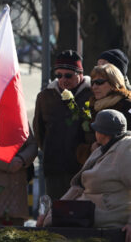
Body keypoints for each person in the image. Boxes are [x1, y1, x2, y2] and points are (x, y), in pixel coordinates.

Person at [57, 110, 131, 235]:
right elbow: (77, 187)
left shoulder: (125, 150)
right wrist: (53, 213)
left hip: (109, 220)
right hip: (85, 215)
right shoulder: (100, 149)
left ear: (101, 133)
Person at [34, 50, 92, 200]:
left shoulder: (91, 95)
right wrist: (49, 149)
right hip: (54, 169)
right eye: (59, 75)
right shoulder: (45, 96)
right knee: (56, 215)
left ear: (80, 74)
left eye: (68, 75)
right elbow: (39, 132)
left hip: (83, 170)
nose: (63, 79)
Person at [75, 64, 131, 164]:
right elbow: (78, 141)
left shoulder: (127, 106)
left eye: (99, 82)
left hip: (121, 169)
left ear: (114, 83)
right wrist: (89, 149)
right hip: (94, 170)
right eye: (92, 83)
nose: (94, 87)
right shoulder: (90, 107)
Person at [0, 126, 38, 226]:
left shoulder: (20, 115)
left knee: (17, 231)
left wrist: (21, 159)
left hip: (17, 191)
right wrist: (9, 163)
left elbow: (32, 145)